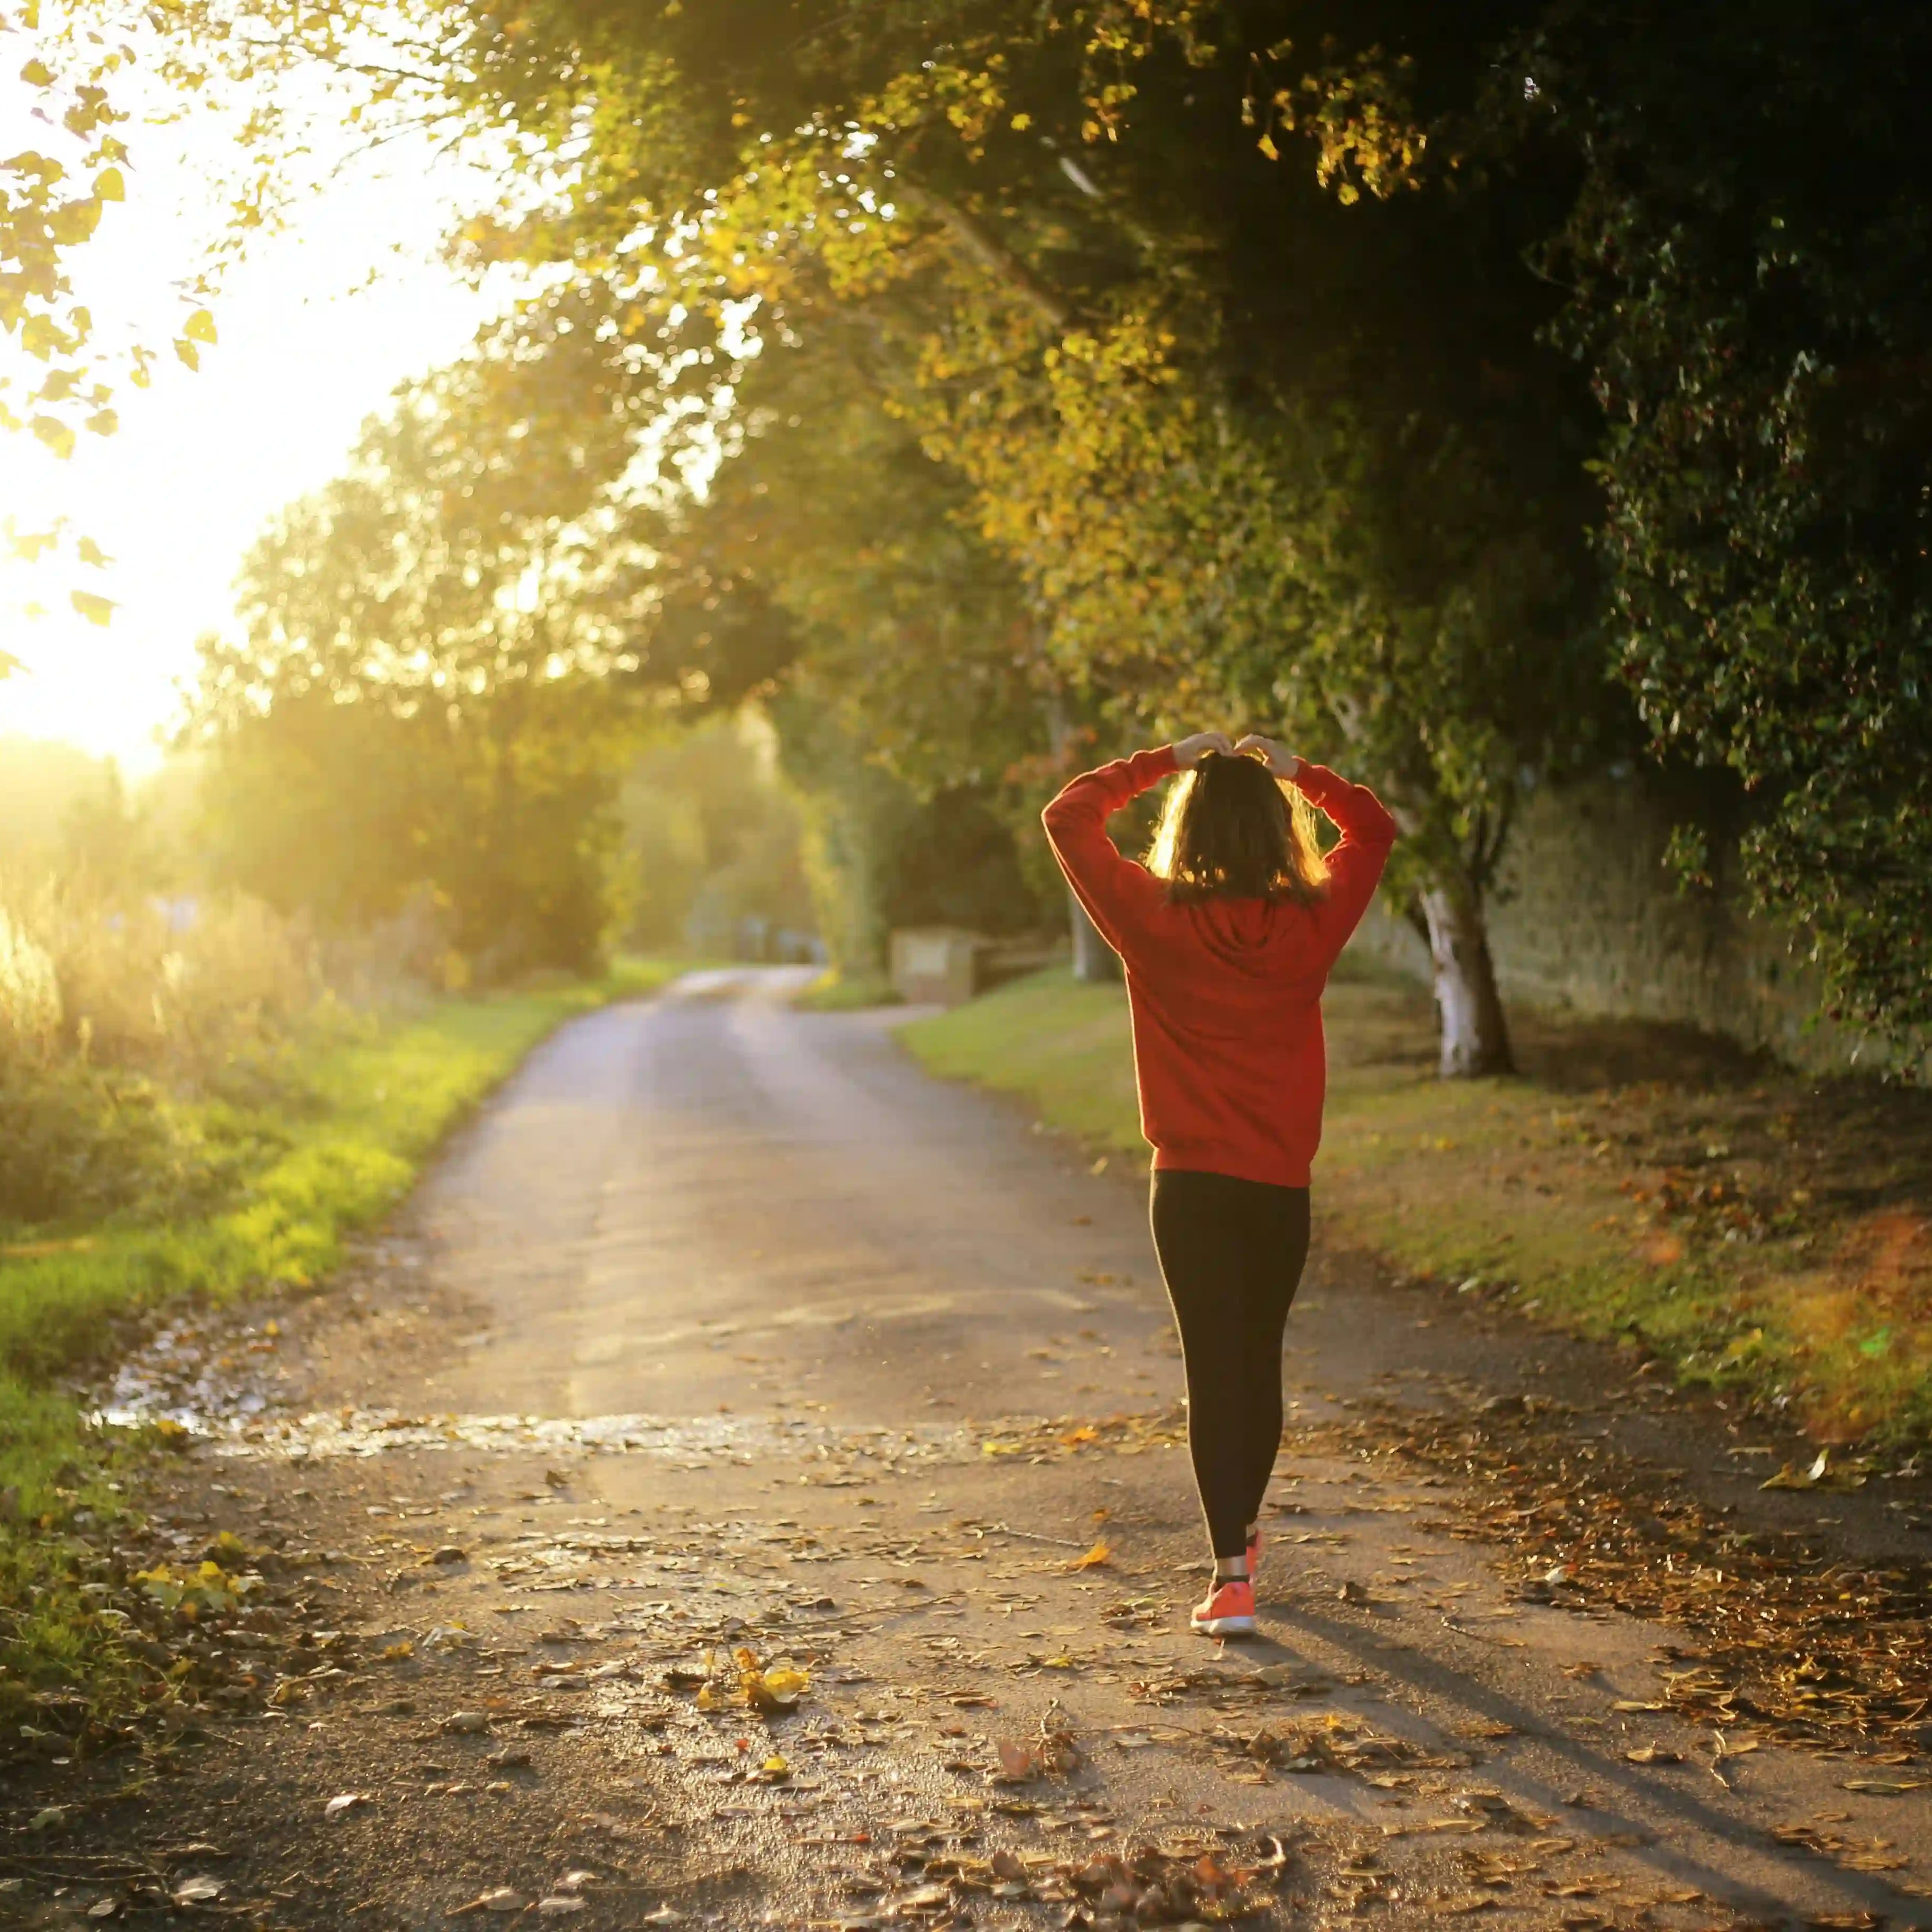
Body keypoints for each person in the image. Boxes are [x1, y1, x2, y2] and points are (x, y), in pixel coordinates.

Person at [1042, 731, 1398, 1636]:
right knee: (1258, 1361)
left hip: (1191, 1187)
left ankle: (1231, 1576)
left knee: (1213, 1371)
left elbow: (1069, 816)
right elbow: (1374, 828)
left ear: (1188, 829)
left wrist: (1164, 760)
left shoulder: (1152, 918)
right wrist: (1300, 773)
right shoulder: (1312, 921)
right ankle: (1239, 1537)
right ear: (1278, 831)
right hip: (1278, 1186)